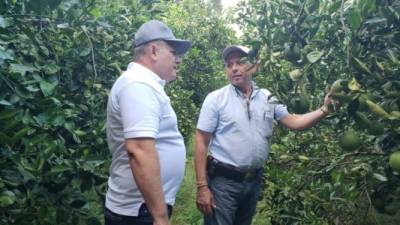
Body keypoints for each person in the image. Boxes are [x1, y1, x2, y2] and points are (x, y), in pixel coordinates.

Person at [194, 45, 335, 225]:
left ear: (254, 66)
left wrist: (325, 109)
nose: (234, 68)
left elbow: (294, 121)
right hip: (223, 183)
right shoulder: (215, 99)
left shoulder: (267, 97)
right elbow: (200, 141)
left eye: (240, 63)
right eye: (229, 65)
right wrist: (202, 186)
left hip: (253, 182)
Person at [104, 20, 191, 225]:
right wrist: (160, 217)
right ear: (154, 51)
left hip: (141, 210)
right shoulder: (138, 84)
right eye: (173, 53)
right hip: (138, 213)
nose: (178, 60)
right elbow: (139, 150)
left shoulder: (141, 83)